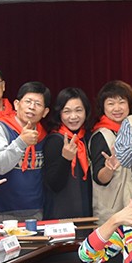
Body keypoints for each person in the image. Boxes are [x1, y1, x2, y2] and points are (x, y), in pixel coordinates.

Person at [0, 81, 50, 222]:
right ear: (17, 104)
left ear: (45, 112)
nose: (32, 107)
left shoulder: (44, 135)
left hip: (35, 212)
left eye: (38, 104)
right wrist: (21, 142)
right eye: (28, 102)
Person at [90, 80, 132, 223]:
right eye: (111, 103)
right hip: (111, 211)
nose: (117, 108)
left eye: (122, 102)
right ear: (103, 107)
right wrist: (109, 169)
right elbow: (100, 178)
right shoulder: (101, 135)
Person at [42, 87, 94, 220]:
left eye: (78, 110)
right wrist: (66, 159)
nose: (73, 116)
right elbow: (53, 185)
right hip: (61, 217)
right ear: (59, 113)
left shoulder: (86, 138)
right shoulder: (55, 140)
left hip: (85, 214)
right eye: (67, 111)